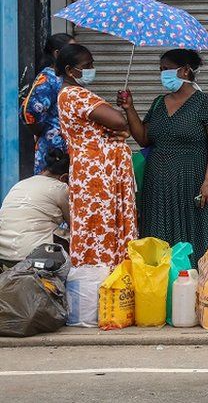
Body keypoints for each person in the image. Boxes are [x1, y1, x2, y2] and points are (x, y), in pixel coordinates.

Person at [118, 49, 208, 265]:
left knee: (198, 234)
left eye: (165, 69)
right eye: (161, 70)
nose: (162, 74)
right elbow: (144, 139)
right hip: (158, 184)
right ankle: (162, 288)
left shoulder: (206, 103)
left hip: (192, 180)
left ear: (185, 71)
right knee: (159, 236)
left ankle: (198, 288)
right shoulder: (159, 103)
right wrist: (129, 109)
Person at [56, 44, 137, 266]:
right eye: (87, 66)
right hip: (97, 173)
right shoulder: (74, 94)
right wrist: (119, 124)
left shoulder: (71, 94)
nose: (92, 69)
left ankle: (109, 277)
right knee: (100, 224)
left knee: (105, 223)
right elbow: (119, 122)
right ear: (70, 70)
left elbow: (121, 129)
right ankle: (100, 277)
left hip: (98, 170)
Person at [0, 149, 71, 269]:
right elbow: (74, 225)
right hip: (34, 258)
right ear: (65, 177)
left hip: (3, 256)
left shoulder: (20, 184)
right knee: (72, 238)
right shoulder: (61, 187)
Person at [21, 33, 75, 174]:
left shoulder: (66, 77)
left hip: (69, 150)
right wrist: (41, 132)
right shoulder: (48, 79)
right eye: (72, 50)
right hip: (53, 152)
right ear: (57, 54)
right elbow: (28, 112)